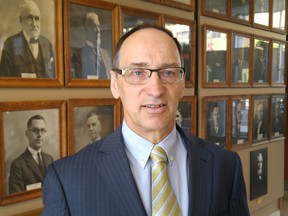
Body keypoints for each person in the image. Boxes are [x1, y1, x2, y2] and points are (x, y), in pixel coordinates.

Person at [42, 24, 249, 215]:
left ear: (182, 84)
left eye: (168, 72)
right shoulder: (67, 179)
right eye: (138, 72)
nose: (155, 89)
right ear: (115, 83)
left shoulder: (226, 166)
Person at [0, 0, 54, 78]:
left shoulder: (47, 44)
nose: (34, 24)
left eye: (37, 18)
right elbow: (5, 81)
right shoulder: (10, 44)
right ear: (21, 20)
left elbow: (52, 77)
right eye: (30, 18)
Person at [9, 115, 53, 194]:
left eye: (42, 130)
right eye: (35, 130)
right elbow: (16, 199)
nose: (39, 134)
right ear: (27, 134)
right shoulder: (17, 165)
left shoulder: (49, 159)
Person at [70, 12, 112, 79]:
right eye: (94, 26)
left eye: (98, 26)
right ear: (86, 29)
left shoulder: (106, 54)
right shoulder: (78, 54)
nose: (98, 30)